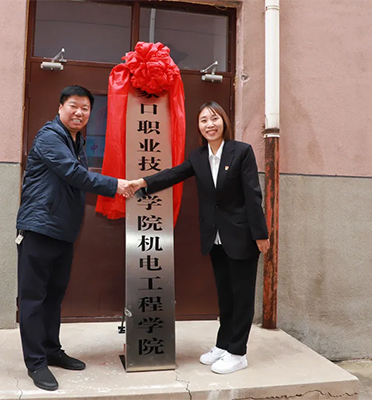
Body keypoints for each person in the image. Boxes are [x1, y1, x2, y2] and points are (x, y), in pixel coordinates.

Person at [130, 101, 270, 375]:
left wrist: (260, 234)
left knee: (242, 296)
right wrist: (143, 183)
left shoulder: (241, 151)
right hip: (214, 237)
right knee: (225, 296)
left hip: (241, 235)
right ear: (199, 126)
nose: (209, 124)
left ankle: (238, 353)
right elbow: (174, 174)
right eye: (204, 120)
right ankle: (223, 344)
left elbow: (253, 195)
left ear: (224, 122)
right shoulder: (198, 155)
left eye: (214, 118)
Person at [16, 85, 134, 391]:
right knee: (33, 299)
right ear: (60, 107)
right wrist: (115, 185)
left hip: (63, 231)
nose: (79, 112)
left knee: (54, 296)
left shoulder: (76, 139)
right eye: (73, 106)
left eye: (85, 108)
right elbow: (73, 174)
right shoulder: (50, 137)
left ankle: (51, 350)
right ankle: (36, 362)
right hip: (39, 229)